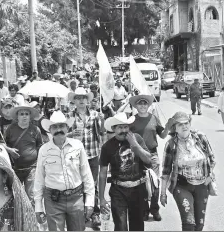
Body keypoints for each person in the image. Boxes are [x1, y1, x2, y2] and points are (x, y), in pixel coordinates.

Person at [34, 111, 95, 231]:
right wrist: (38, 207)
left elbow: (86, 174)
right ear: (50, 130)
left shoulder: (77, 145)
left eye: (62, 126)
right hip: (53, 199)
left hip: (76, 197)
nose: (59, 130)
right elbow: (39, 178)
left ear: (67, 128)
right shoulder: (44, 150)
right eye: (55, 127)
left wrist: (89, 200)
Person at [160, 111, 216, 231]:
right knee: (189, 223)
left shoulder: (201, 138)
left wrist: (210, 176)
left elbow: (212, 159)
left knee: (199, 225)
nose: (184, 126)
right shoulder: (170, 145)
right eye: (180, 124)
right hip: (182, 186)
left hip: (202, 185)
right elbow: (165, 172)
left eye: (186, 123)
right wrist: (163, 193)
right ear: (175, 128)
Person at [99, 113, 152, 231]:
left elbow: (148, 160)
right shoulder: (107, 147)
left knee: (137, 226)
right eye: (120, 127)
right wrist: (101, 198)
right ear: (113, 129)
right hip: (118, 190)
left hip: (138, 189)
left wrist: (135, 145)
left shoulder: (137, 138)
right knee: (120, 226)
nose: (123, 130)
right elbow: (102, 173)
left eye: (125, 127)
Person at [129, 95, 172, 222]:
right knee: (141, 184)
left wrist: (168, 126)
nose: (142, 105)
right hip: (137, 156)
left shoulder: (154, 118)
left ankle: (155, 209)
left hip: (153, 155)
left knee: (155, 184)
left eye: (145, 103)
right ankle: (144, 210)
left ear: (148, 105)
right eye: (140, 104)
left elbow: (163, 135)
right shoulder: (132, 120)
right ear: (136, 106)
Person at [67, 87, 104, 228]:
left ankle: (95, 214)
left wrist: (102, 121)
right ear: (74, 101)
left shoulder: (95, 114)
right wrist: (71, 134)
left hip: (93, 155)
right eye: (78, 98)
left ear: (87, 100)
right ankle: (81, 213)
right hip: (76, 156)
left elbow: (101, 133)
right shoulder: (69, 117)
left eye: (83, 97)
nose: (81, 100)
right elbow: (63, 136)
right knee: (77, 185)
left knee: (92, 185)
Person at [4, 103, 42, 206]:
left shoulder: (35, 130)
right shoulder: (10, 129)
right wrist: (10, 150)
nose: (24, 116)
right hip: (15, 168)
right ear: (17, 116)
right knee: (17, 196)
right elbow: (2, 144)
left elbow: (40, 146)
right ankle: (20, 219)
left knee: (31, 196)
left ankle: (33, 220)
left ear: (30, 116)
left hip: (32, 168)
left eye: (26, 114)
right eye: (21, 114)